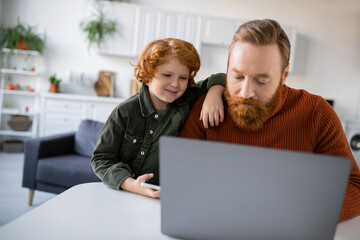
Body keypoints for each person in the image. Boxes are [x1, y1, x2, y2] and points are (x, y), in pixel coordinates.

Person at [179, 19, 360, 222]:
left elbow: (354, 185)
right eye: (237, 77)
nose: (245, 93)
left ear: (284, 75)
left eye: (261, 81)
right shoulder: (207, 109)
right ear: (227, 69)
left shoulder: (316, 113)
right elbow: (180, 178)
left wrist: (303, 211)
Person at [91, 38, 225, 198]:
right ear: (148, 74)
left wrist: (214, 93)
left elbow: (221, 77)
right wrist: (132, 185)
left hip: (169, 193)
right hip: (130, 192)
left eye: (183, 77)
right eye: (167, 75)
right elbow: (101, 159)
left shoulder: (187, 98)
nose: (175, 84)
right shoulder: (125, 112)